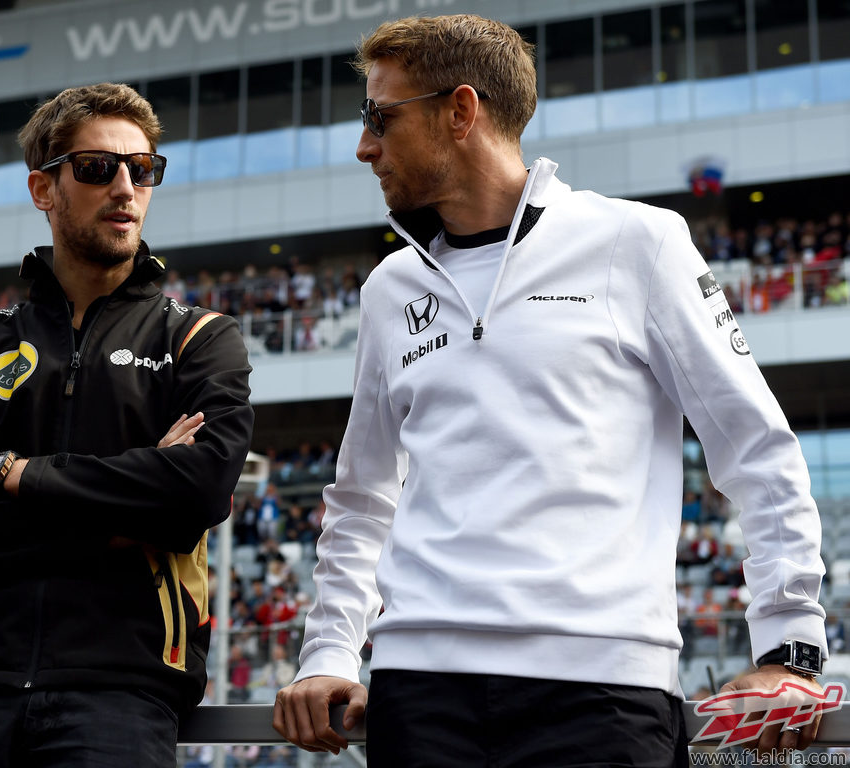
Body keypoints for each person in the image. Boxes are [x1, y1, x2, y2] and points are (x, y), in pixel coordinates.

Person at [272, 14, 828, 767]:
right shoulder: (387, 289)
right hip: (418, 694)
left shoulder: (636, 243)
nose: (364, 145)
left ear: (459, 111)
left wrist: (789, 651)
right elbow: (362, 496)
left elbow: (754, 447)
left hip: (602, 691)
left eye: (380, 117)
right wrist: (329, 651)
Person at [0, 82, 254, 768]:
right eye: (96, 168)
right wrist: (128, 509)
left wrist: (16, 475)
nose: (125, 186)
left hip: (122, 688)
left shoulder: (200, 339)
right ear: (44, 189)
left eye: (142, 169)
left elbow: (197, 494)